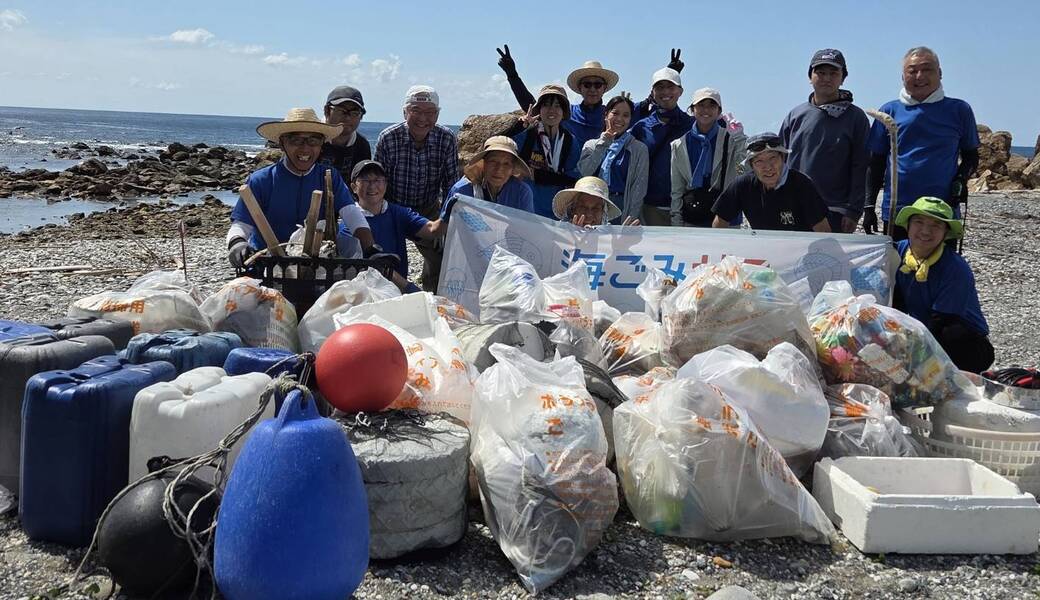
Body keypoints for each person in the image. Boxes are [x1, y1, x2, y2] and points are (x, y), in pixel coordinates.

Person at [226, 108, 377, 268]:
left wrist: (370, 248)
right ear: (282, 144)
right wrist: (237, 244)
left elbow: (351, 213)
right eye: (295, 140)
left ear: (321, 146)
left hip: (316, 264)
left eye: (313, 140)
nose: (305, 148)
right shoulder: (261, 180)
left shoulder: (329, 177)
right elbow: (241, 225)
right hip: (266, 264)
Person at [863, 47, 980, 239]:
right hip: (898, 210)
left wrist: (961, 179)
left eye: (927, 69)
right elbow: (875, 164)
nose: (920, 76)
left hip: (942, 208)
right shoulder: (888, 111)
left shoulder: (959, 110)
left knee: (939, 267)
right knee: (898, 267)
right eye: (912, 71)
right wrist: (868, 206)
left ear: (940, 73)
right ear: (903, 77)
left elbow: (971, 156)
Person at [891, 196, 993, 372]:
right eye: (919, 222)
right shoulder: (896, 251)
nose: (925, 231)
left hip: (963, 341)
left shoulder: (955, 268)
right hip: (921, 330)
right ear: (908, 225)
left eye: (936, 225)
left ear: (945, 233)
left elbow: (941, 321)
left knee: (951, 333)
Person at [374, 85, 460, 292]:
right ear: (405, 112)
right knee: (385, 262)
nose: (423, 118)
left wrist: (445, 220)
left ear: (437, 115)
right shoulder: (388, 137)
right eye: (416, 111)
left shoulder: (446, 138)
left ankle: (432, 299)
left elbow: (451, 185)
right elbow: (376, 182)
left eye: (430, 112)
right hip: (393, 208)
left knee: (441, 257)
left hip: (428, 208)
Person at [780, 49, 869, 233]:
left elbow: (861, 167)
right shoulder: (795, 115)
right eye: (820, 72)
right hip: (793, 206)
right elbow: (779, 161)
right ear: (810, 76)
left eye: (833, 73)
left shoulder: (856, 118)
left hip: (834, 211)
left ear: (843, 78)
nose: (826, 78)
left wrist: (853, 211)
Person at [348, 160, 446, 293]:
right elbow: (375, 266)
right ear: (354, 187)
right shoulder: (350, 222)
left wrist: (451, 212)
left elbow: (432, 230)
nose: (372, 186)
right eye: (365, 180)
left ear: (386, 184)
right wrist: (409, 288)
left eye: (377, 180)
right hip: (366, 294)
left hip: (398, 293)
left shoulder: (397, 213)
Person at [494, 49, 619, 148]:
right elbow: (534, 107)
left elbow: (638, 110)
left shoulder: (613, 116)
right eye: (587, 84)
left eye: (597, 85)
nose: (592, 89)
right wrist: (512, 75)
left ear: (604, 88)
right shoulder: (567, 112)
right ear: (580, 88)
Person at [711, 133, 831, 232]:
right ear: (751, 165)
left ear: (783, 158)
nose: (768, 167)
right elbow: (720, 221)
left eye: (772, 158)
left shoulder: (802, 184)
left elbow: (823, 230)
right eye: (759, 161)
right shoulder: (742, 185)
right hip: (763, 252)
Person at [670, 87, 747, 227]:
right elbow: (677, 188)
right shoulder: (679, 144)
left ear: (719, 111)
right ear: (692, 110)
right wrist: (676, 222)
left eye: (712, 105)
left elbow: (743, 170)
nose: (706, 110)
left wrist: (740, 138)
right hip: (693, 217)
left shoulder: (730, 139)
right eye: (701, 105)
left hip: (726, 218)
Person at [504, 84, 581, 219]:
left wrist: (535, 175)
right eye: (546, 105)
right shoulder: (527, 135)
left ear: (564, 111)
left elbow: (572, 179)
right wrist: (518, 127)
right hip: (524, 211)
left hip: (556, 215)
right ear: (539, 109)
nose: (552, 110)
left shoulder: (570, 141)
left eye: (557, 106)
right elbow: (498, 146)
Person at [630, 67, 693, 226]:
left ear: (680, 91)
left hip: (685, 207)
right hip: (650, 207)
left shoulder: (692, 125)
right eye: (660, 87)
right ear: (652, 92)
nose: (665, 92)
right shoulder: (641, 127)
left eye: (670, 87)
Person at [577, 95, 648, 224]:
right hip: (592, 207)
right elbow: (584, 173)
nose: (620, 119)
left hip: (621, 207)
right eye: (615, 113)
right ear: (606, 114)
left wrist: (630, 218)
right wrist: (604, 143)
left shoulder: (639, 149)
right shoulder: (591, 145)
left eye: (626, 115)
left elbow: (639, 189)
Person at [442, 136, 535, 218]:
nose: (499, 169)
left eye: (506, 163)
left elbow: (525, 229)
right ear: (483, 163)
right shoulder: (462, 190)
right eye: (493, 161)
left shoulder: (521, 192)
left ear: (512, 169)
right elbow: (447, 228)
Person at [319, 85, 372, 182]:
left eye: (354, 113)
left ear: (361, 117)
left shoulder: (361, 146)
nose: (347, 118)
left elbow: (360, 184)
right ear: (327, 111)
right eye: (341, 111)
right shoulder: (312, 137)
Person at [551, 176, 640, 228]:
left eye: (596, 208)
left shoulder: (610, 236)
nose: (589, 214)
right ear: (572, 209)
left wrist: (623, 243)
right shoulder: (559, 234)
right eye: (583, 207)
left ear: (603, 213)